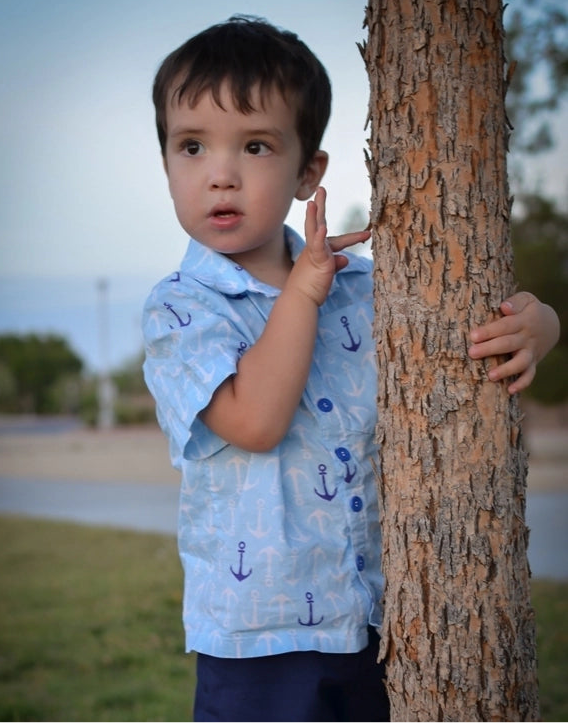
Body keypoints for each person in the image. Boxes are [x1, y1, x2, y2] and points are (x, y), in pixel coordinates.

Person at [142, 16, 560, 723]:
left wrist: (539, 323)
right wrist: (303, 291)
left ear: (308, 172)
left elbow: (460, 343)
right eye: (191, 146)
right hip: (260, 641)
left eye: (254, 145)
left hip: (385, 624)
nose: (220, 172)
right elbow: (254, 419)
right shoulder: (180, 310)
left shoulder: (367, 289)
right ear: (167, 164)